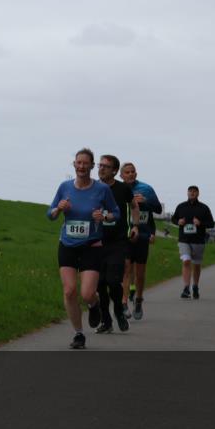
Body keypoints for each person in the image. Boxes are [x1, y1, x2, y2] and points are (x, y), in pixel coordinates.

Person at [47, 148, 121, 349]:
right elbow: (50, 214)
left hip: (91, 246)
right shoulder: (64, 187)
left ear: (92, 166)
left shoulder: (102, 189)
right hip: (67, 245)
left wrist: (104, 216)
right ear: (74, 164)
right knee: (69, 291)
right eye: (78, 163)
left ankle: (94, 305)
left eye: (85, 163)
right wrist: (58, 209)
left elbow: (116, 213)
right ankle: (78, 334)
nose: (81, 166)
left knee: (87, 293)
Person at [94, 154, 137, 334]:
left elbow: (134, 206)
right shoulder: (93, 187)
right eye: (100, 165)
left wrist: (135, 226)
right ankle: (106, 320)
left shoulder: (123, 188)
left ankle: (119, 311)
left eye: (106, 166)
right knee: (99, 284)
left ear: (114, 171)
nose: (101, 168)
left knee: (113, 281)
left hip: (118, 241)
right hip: (96, 242)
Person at [119, 162, 162, 321]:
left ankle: (138, 300)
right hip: (125, 235)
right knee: (125, 269)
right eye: (127, 172)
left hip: (143, 235)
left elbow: (158, 209)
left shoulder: (146, 189)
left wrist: (145, 202)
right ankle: (124, 303)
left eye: (132, 172)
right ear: (121, 175)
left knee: (140, 273)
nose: (130, 174)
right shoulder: (118, 189)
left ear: (136, 174)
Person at [170, 186, 215, 299]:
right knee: (186, 261)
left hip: (198, 240)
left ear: (198, 193)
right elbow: (173, 219)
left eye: (194, 191)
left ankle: (195, 286)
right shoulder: (181, 206)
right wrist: (178, 221)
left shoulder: (204, 208)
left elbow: (211, 223)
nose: (192, 193)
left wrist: (200, 223)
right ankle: (186, 288)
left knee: (196, 264)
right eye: (190, 191)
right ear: (187, 193)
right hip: (184, 240)